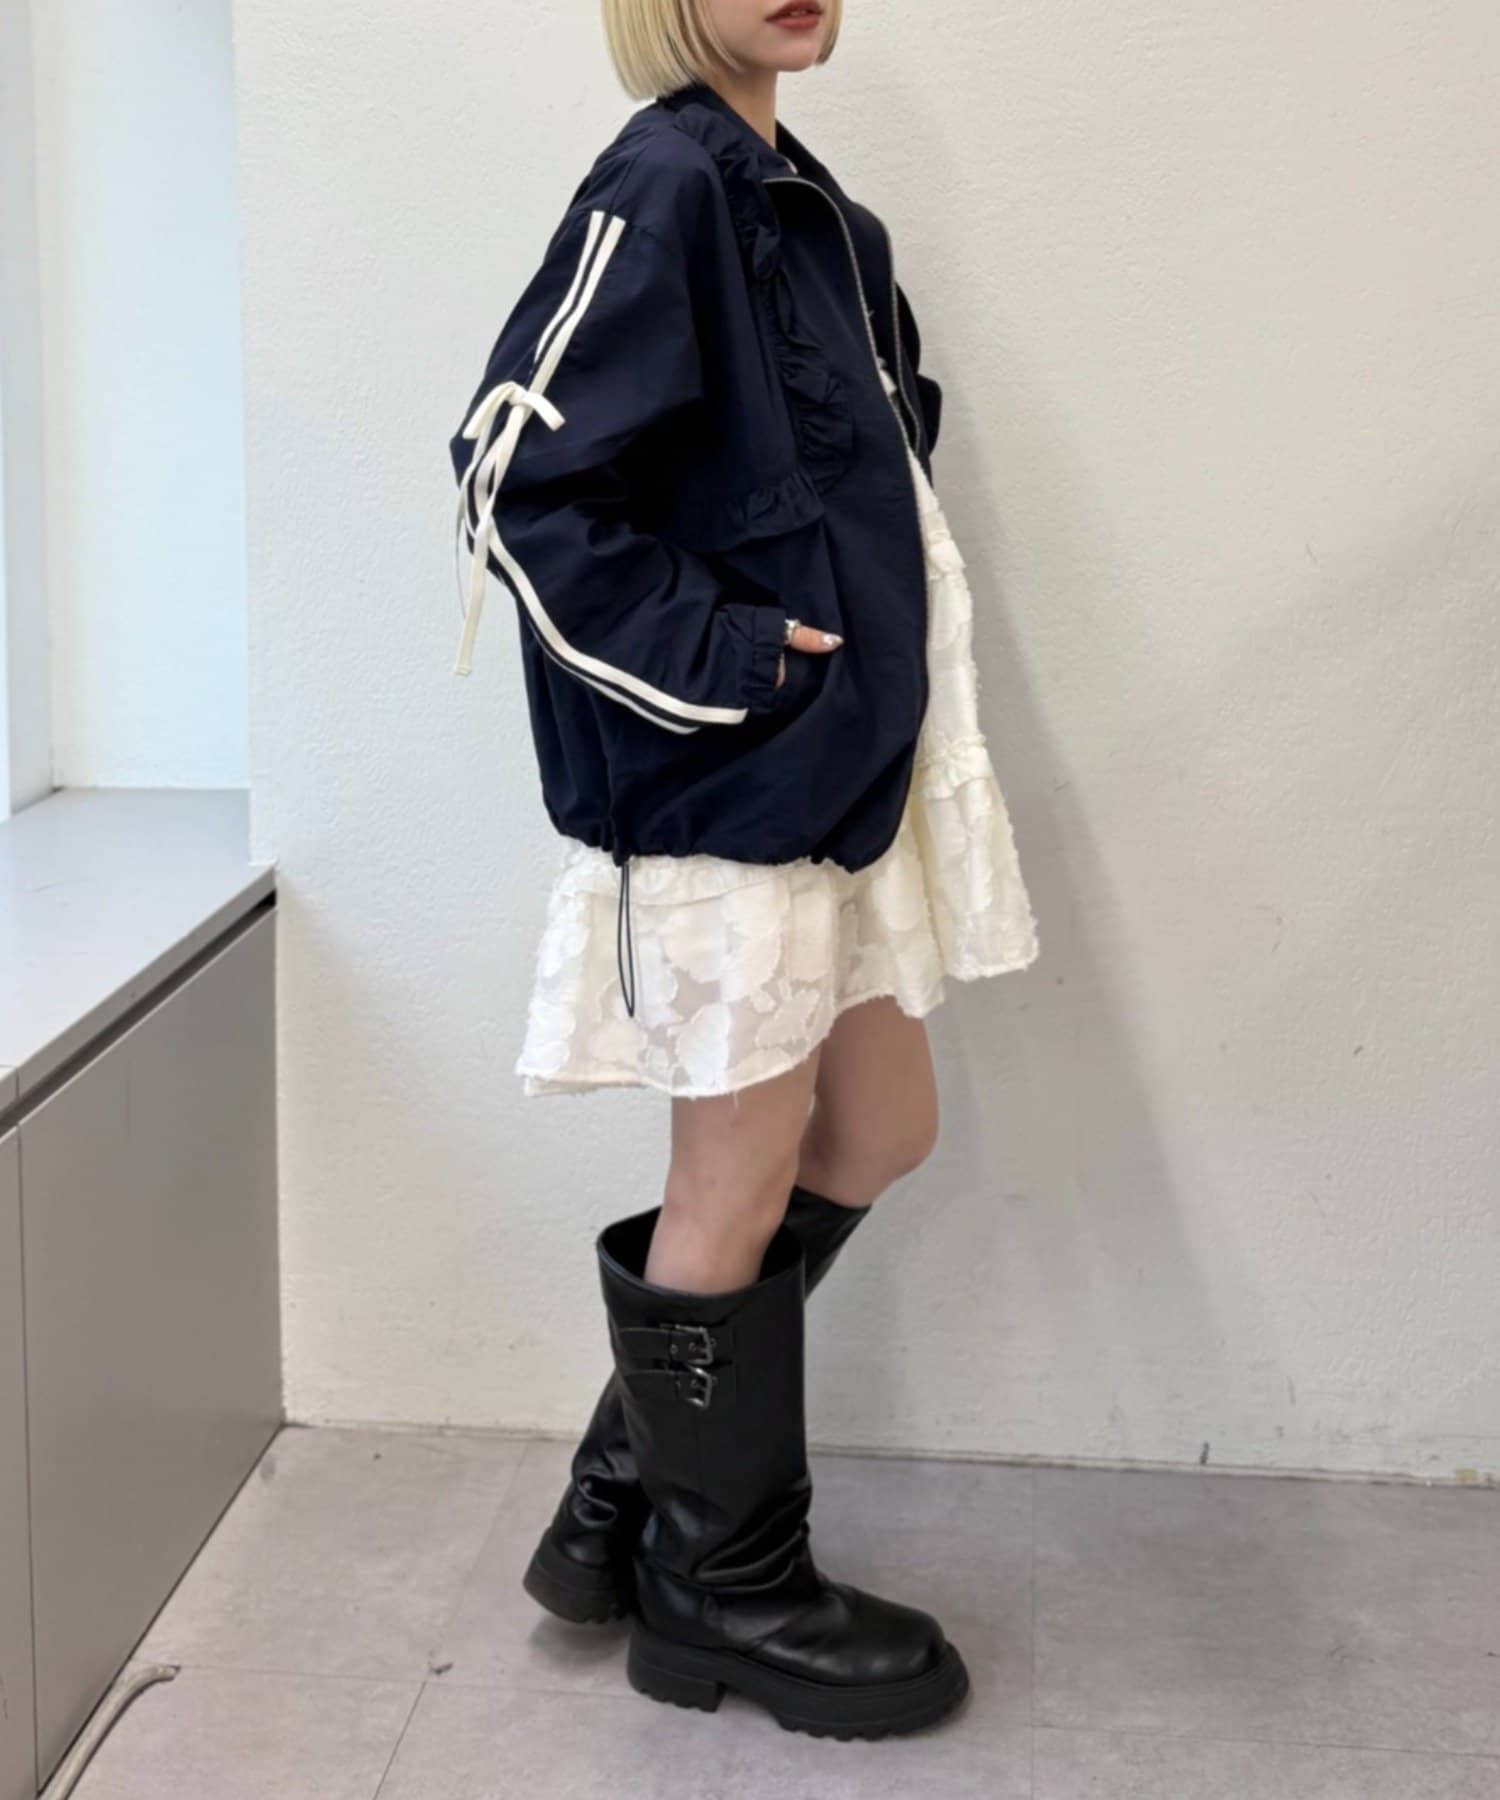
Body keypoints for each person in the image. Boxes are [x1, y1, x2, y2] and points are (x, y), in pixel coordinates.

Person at [447, 0, 1038, 1741]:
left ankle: (625, 1496)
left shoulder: (819, 216)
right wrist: (740, 662)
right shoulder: (667, 185)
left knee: (881, 1126)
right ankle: (724, 1591)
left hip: (835, 786)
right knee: (735, 1179)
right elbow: (513, 481)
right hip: (728, 799)